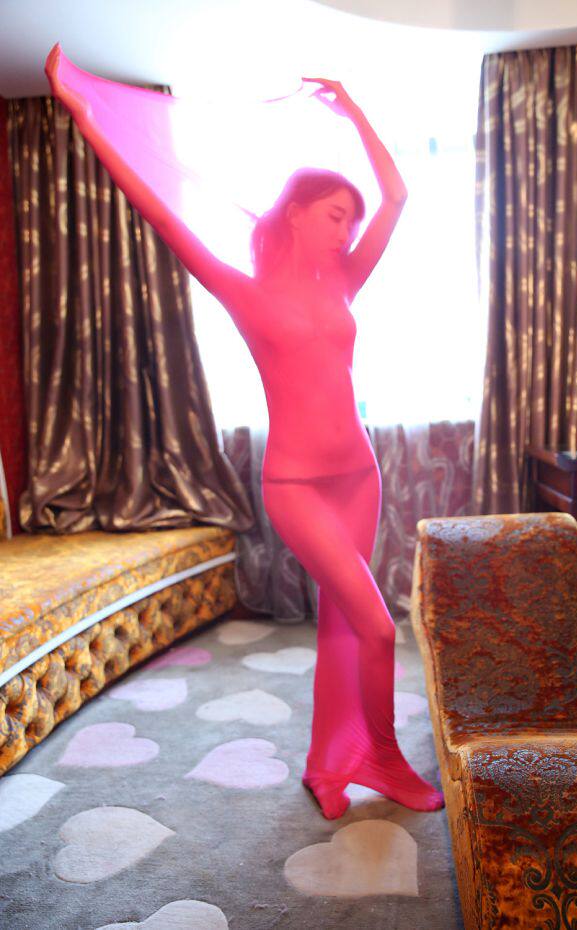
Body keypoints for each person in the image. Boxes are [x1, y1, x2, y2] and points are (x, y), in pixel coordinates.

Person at [45, 49, 445, 819]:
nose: (347, 231)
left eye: (351, 220)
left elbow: (397, 196)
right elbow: (163, 214)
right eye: (334, 215)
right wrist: (87, 118)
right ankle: (384, 758)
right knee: (375, 624)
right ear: (295, 213)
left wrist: (352, 107)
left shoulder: (344, 281)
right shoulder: (243, 290)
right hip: (296, 486)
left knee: (344, 625)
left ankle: (330, 766)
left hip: (358, 476)